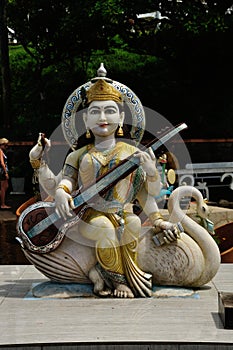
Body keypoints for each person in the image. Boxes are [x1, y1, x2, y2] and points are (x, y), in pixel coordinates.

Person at [54, 78, 179, 298]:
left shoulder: (132, 154)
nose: (102, 118)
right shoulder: (78, 155)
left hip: (122, 213)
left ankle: (107, 272)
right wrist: (60, 192)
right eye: (95, 112)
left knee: (133, 222)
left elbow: (145, 194)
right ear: (85, 119)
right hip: (90, 216)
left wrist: (158, 216)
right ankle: (120, 282)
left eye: (110, 111)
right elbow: (67, 180)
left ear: (121, 117)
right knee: (104, 227)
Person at [0, 138, 11, 209]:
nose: (6, 147)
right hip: (2, 171)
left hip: (3, 170)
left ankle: (2, 202)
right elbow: (2, 162)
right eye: (5, 145)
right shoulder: (0, 151)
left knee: (5, 186)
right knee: (3, 187)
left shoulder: (2, 151)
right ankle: (2, 204)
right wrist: (5, 172)